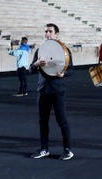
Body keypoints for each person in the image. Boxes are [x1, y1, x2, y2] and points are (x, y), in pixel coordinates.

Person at [29, 23, 74, 161]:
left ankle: (67, 150)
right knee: (43, 121)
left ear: (56, 34)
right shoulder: (40, 50)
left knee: (62, 120)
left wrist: (63, 74)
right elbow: (30, 70)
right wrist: (36, 64)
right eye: (46, 31)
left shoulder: (65, 50)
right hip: (42, 90)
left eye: (50, 31)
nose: (47, 34)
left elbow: (71, 70)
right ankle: (44, 149)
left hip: (57, 90)